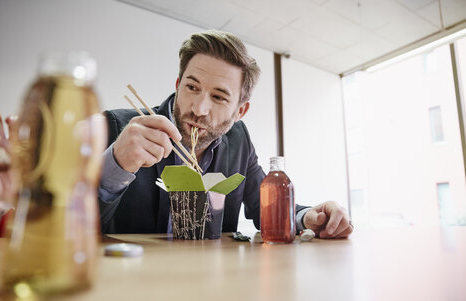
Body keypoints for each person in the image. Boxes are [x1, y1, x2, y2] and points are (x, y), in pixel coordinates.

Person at [99, 30, 352, 239]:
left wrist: (306, 217)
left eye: (219, 97)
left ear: (240, 110)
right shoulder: (119, 128)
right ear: (178, 86)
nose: (198, 109)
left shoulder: (238, 139)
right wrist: (115, 166)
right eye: (191, 87)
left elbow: (262, 207)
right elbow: (70, 223)